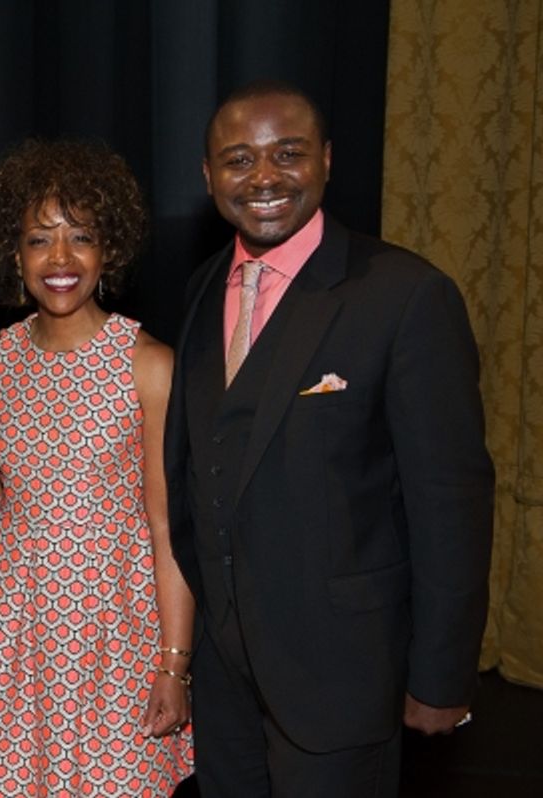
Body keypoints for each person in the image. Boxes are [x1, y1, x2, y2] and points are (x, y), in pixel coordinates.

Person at [164, 79, 494, 796]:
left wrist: (442, 674)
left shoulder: (405, 296)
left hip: (343, 675)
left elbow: (451, 501)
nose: (264, 178)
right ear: (208, 176)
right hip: (225, 677)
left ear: (327, 160)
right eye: (238, 160)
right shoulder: (200, 289)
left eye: (288, 154)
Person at [0, 139, 196, 797]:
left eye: (80, 237)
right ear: (15, 253)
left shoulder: (149, 365)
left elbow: (167, 523)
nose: (60, 259)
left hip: (116, 640)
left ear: (107, 251)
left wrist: (175, 663)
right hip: (14, 636)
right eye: (39, 240)